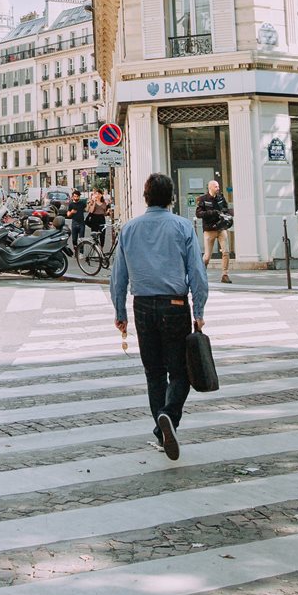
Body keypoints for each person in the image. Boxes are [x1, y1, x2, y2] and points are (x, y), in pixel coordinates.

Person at [111, 171, 208, 461]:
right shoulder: (182, 226)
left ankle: (160, 426)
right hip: (175, 305)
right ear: (172, 198)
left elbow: (118, 277)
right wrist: (199, 311)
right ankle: (167, 419)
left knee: (154, 373)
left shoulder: (129, 229)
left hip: (142, 306)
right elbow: (197, 273)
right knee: (180, 372)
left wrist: (120, 312)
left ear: (145, 197)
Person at [196, 177, 234, 283]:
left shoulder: (221, 197)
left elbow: (225, 208)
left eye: (218, 186)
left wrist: (228, 213)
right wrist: (211, 212)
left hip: (221, 228)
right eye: (216, 186)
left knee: (226, 252)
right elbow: (198, 214)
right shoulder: (203, 199)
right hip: (209, 229)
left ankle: (225, 275)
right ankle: (201, 274)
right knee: (207, 256)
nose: (218, 188)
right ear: (210, 187)